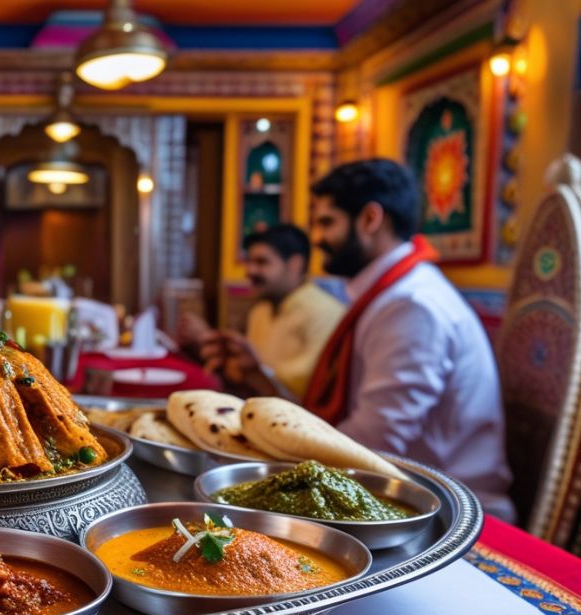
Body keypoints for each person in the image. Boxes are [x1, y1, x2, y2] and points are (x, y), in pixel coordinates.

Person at [211, 159, 514, 519]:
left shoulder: (412, 306)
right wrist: (259, 378)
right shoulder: (389, 296)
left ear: (370, 219)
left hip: (451, 514)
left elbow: (371, 444)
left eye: (327, 222)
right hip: (408, 493)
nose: (318, 239)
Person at [194, 224, 344, 399]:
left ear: (295, 264)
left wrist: (254, 373)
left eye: (262, 262)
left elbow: (312, 391)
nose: (250, 271)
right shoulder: (260, 311)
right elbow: (248, 380)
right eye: (249, 262)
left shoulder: (326, 312)